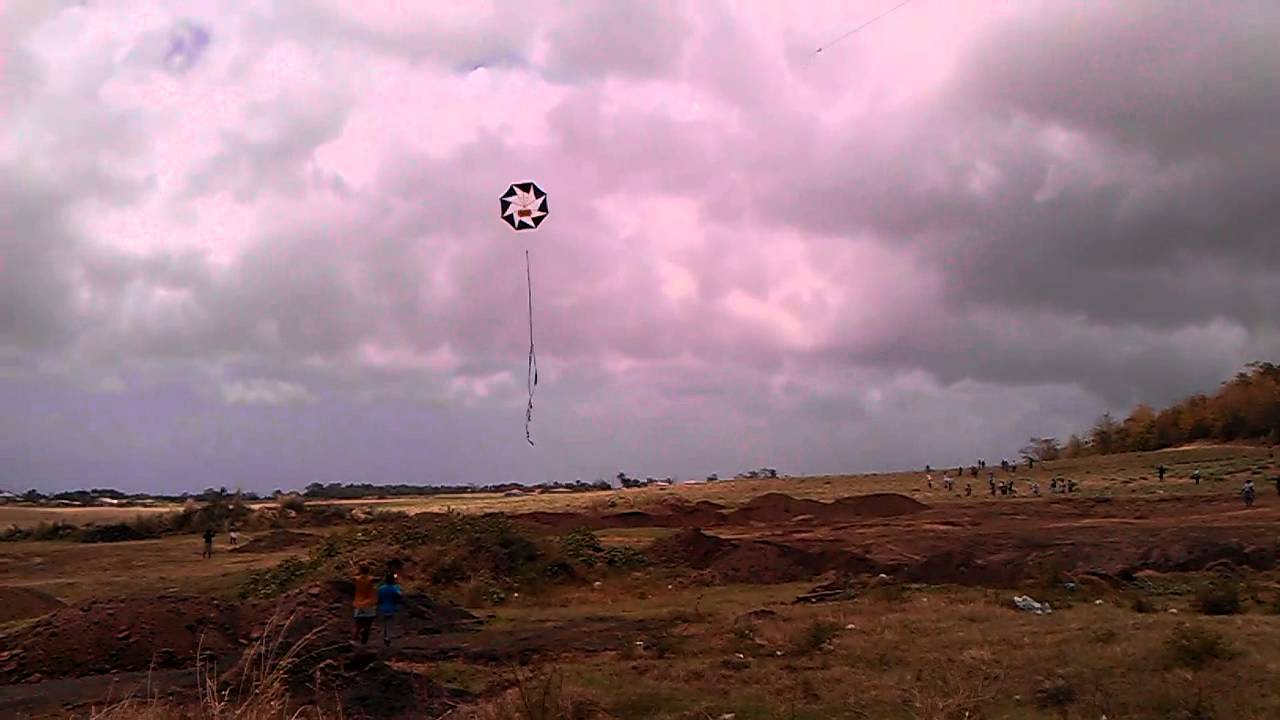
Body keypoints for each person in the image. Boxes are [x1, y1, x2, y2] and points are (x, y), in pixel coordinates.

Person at [352, 563, 377, 645]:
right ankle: (364, 643)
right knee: (367, 626)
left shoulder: (356, 579)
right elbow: (377, 580)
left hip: (358, 605)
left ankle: (354, 640)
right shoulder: (371, 579)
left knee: (357, 626)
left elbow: (353, 577)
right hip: (369, 605)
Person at [377, 571, 404, 647]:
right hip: (392, 608)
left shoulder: (381, 588)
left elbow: (378, 599)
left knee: (385, 624)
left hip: (382, 608)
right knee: (390, 624)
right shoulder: (395, 588)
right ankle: (388, 638)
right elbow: (400, 596)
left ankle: (386, 636)